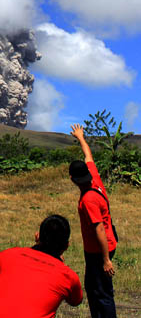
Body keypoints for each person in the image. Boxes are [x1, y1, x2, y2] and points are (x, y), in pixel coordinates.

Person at [0, 214, 83, 317]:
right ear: (66, 246)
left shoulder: (11, 255)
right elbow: (76, 300)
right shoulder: (68, 276)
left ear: (37, 236)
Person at [70, 123, 117, 318]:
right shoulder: (95, 180)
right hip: (106, 244)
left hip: (99, 250)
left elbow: (98, 229)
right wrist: (81, 137)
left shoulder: (88, 199)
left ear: (73, 180)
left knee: (101, 291)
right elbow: (88, 156)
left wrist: (106, 260)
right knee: (93, 286)